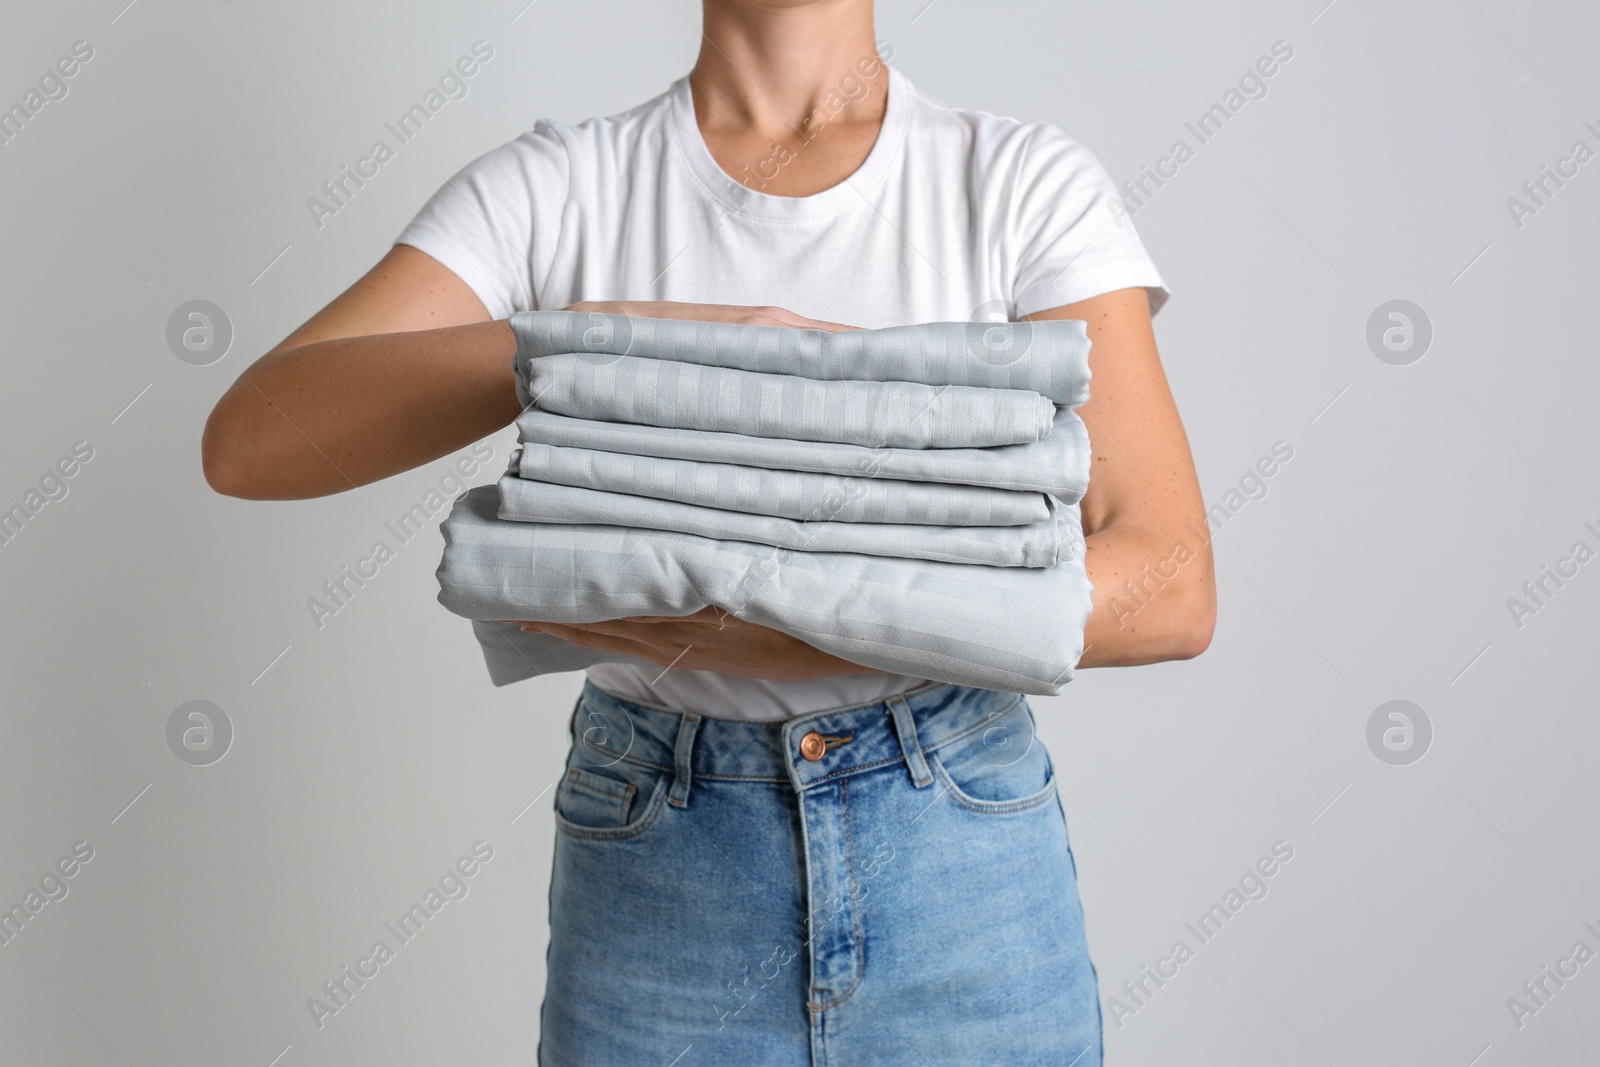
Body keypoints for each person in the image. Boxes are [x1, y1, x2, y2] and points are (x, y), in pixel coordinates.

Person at [203, 1, 1214, 1062]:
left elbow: (1171, 584)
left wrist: (794, 635)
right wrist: (626, 345)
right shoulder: (558, 188)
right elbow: (252, 440)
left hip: (956, 851)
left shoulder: (1014, 182)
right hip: (659, 863)